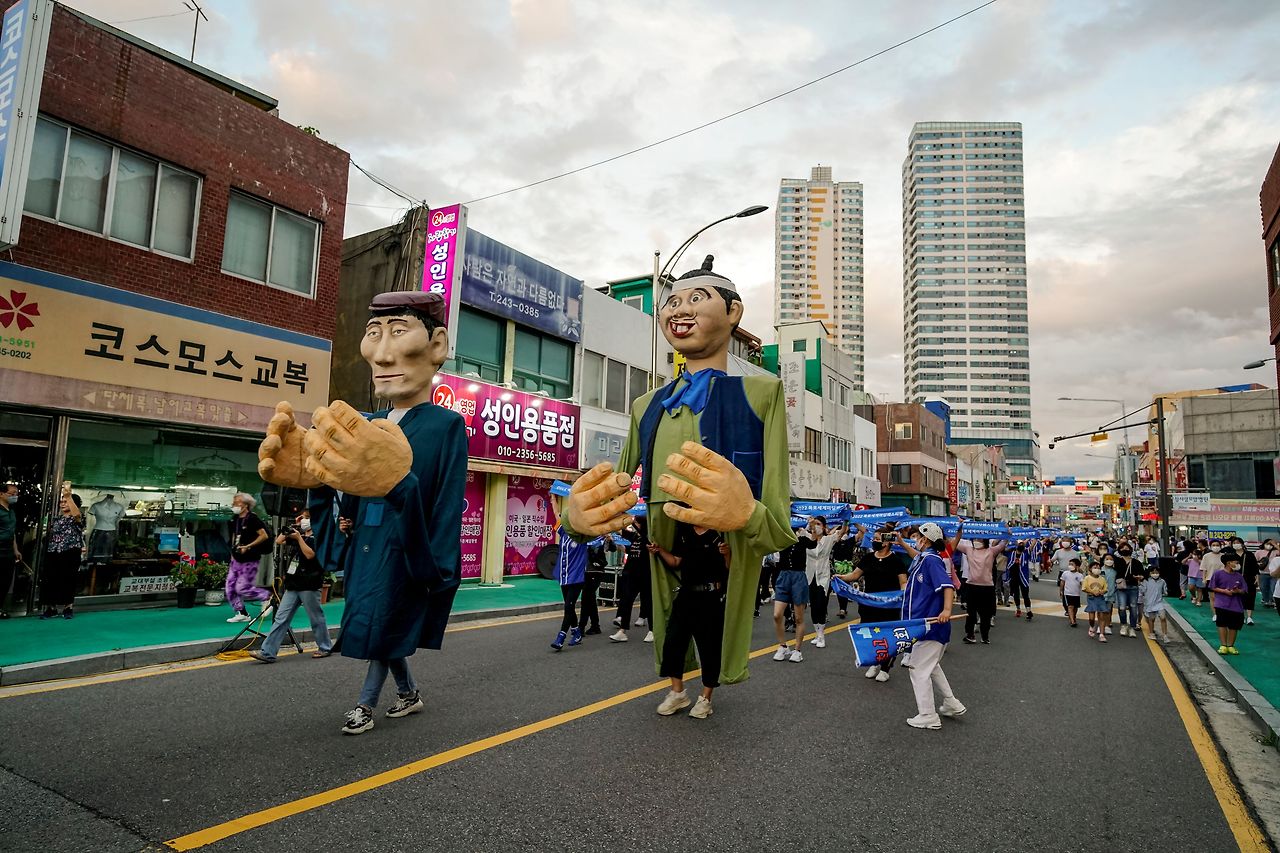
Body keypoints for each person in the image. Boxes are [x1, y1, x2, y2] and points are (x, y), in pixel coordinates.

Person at [560, 256, 797, 690]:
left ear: (733, 312)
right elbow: (615, 485)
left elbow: (778, 516)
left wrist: (750, 515)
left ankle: (712, 682)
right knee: (671, 615)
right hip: (662, 519)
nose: (680, 310)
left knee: (721, 619)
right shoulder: (647, 404)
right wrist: (575, 519)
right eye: (672, 302)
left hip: (730, 524)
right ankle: (677, 685)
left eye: (697, 299)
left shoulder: (763, 392)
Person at [257, 290, 468, 736]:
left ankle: (364, 705)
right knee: (378, 626)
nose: (383, 353)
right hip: (367, 548)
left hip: (408, 550)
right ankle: (408, 692)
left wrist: (437, 565)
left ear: (437, 346)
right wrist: (317, 481)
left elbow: (446, 504)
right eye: (374, 333)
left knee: (384, 625)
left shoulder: (447, 425)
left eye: (399, 331)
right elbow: (347, 494)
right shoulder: (367, 422)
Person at [650, 523, 732, 719]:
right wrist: (659, 550)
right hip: (686, 596)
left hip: (711, 598)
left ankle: (706, 699)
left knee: (709, 648)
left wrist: (727, 554)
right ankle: (677, 692)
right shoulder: (684, 531)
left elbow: (731, 569)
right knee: (672, 642)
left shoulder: (720, 531)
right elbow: (676, 561)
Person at [900, 523, 965, 730]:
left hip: (930, 624)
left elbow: (947, 586)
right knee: (931, 666)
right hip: (923, 624)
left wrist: (946, 610)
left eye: (917, 536)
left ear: (925, 539)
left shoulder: (931, 560)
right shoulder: (924, 558)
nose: (915, 540)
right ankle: (951, 702)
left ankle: (928, 715)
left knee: (918, 669)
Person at [250, 511, 334, 662]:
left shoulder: (319, 538)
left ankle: (325, 647)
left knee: (315, 617)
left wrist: (299, 538)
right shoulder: (298, 534)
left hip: (309, 583)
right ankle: (268, 652)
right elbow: (279, 540)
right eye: (303, 517)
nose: (304, 520)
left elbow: (310, 555)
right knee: (281, 618)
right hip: (294, 583)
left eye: (307, 518)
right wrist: (293, 526)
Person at [835, 527, 908, 682]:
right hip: (869, 604)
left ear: (886, 542)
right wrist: (840, 577)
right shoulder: (868, 558)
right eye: (873, 538)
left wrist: (903, 594)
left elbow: (903, 582)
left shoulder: (896, 561)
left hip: (889, 606)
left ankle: (886, 668)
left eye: (877, 539)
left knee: (887, 636)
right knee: (871, 634)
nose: (874, 541)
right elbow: (854, 575)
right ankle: (874, 662)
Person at [950, 523, 1005, 645]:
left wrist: (1006, 532)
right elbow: (954, 542)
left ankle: (985, 636)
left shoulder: (991, 551)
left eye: (979, 538)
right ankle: (970, 635)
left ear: (984, 540)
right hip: (972, 586)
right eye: (975, 538)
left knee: (986, 614)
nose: (976, 540)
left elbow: (1003, 543)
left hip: (987, 587)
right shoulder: (969, 549)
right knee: (971, 612)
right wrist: (955, 530)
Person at [225, 492, 272, 624]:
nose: (234, 504)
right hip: (236, 557)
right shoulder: (234, 519)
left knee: (242, 588)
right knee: (230, 588)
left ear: (245, 505)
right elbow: (234, 536)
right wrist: (232, 554)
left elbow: (264, 535)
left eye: (237, 502)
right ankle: (242, 613)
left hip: (250, 559)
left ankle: (266, 597)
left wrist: (248, 546)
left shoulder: (253, 519)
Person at [40, 486, 84, 619]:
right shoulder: (56, 519)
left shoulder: (77, 518)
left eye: (66, 502)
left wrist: (68, 496)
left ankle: (68, 607)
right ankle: (51, 608)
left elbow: (77, 515)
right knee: (51, 579)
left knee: (68, 579)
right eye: (62, 502)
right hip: (54, 551)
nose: (63, 504)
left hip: (70, 552)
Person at [550, 498, 588, 651]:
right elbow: (556, 513)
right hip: (563, 575)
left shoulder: (584, 536)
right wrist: (553, 498)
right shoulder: (563, 531)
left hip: (577, 577)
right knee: (569, 607)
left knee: (568, 606)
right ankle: (576, 632)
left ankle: (561, 637)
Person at [802, 518, 845, 649]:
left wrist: (846, 521)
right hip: (810, 576)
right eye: (814, 524)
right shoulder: (806, 537)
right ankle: (817, 633)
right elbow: (793, 527)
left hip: (823, 577)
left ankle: (821, 635)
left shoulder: (828, 539)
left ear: (824, 527)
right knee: (813, 606)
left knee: (821, 605)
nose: (816, 526)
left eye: (819, 524)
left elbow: (842, 531)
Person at [611, 519, 653, 643]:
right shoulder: (635, 537)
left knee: (648, 603)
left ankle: (652, 630)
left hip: (645, 575)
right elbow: (621, 532)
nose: (635, 525)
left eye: (637, 523)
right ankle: (622, 631)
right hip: (632, 576)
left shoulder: (647, 538)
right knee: (626, 601)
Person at [772, 528, 810, 662]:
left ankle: (797, 650)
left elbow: (814, 543)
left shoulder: (803, 539)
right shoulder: (782, 538)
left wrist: (811, 527)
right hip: (783, 576)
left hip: (798, 577)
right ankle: (783, 646)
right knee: (777, 615)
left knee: (798, 618)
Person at [1209, 551, 1247, 655]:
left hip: (1236, 606)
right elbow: (1212, 587)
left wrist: (1237, 591)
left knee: (1234, 626)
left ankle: (1230, 645)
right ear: (1228, 563)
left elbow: (1244, 590)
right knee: (1222, 624)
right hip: (1222, 604)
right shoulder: (1218, 574)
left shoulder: (1239, 576)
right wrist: (1224, 591)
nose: (1238, 564)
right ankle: (1223, 645)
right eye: (1236, 562)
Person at [1113, 543, 1146, 638]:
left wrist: (1140, 577)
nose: (1125, 549)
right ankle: (1123, 625)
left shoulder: (1136, 562)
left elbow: (1143, 574)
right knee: (1122, 607)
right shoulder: (1117, 561)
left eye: (1127, 548)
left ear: (1131, 550)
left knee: (1133, 607)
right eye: (1122, 548)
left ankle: (1132, 627)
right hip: (1121, 587)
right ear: (1119, 550)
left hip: (1133, 587)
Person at [1230, 537, 1260, 626]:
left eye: (1238, 542)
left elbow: (1255, 567)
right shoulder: (1231, 555)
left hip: (1249, 579)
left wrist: (1257, 578)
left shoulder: (1249, 554)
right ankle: (1241, 616)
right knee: (1238, 597)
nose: (1236, 544)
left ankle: (1249, 617)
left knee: (1250, 597)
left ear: (1242, 544)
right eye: (1234, 543)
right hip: (1235, 579)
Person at [0, 483, 19, 619]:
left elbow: (12, 532)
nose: (15, 496)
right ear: (1, 494)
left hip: (8, 552)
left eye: (16, 494)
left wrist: (16, 549)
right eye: (12, 494)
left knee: (5, 581)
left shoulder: (11, 511)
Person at [1139, 564, 1169, 642]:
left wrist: (1165, 593)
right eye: (1153, 572)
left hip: (1159, 603)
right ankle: (1151, 633)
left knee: (1163, 617)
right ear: (1150, 573)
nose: (1155, 574)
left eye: (1156, 572)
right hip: (1149, 603)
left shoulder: (1162, 581)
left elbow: (1165, 591)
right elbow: (1142, 590)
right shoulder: (1146, 581)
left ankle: (1165, 635)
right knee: (1151, 619)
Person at [1082, 561, 1109, 641]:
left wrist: (1102, 592)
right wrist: (1092, 592)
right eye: (1095, 568)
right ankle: (1092, 626)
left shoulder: (1102, 579)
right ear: (1090, 569)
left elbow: (1105, 589)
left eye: (1098, 568)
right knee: (1091, 617)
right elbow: (1084, 588)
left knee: (1102, 616)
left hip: (1100, 598)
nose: (1097, 569)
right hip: (1091, 598)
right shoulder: (1087, 578)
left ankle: (1102, 634)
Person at [1200, 540, 1225, 623]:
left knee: (1221, 597)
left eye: (1217, 545)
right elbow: (1204, 568)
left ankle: (1222, 613)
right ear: (1210, 546)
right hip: (1210, 579)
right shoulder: (1206, 556)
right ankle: (1215, 614)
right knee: (1212, 598)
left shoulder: (1224, 556)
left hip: (1222, 579)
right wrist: (1204, 579)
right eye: (1213, 545)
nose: (1215, 547)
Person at [1008, 539, 1033, 619]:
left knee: (1025, 595)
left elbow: (1032, 546)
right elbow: (1009, 565)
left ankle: (1028, 611)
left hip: (1023, 577)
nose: (1021, 545)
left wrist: (1035, 536)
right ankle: (1018, 609)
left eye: (1022, 544)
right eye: (1020, 544)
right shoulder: (1012, 553)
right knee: (1016, 594)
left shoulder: (1025, 553)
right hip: (1014, 577)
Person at [1060, 557, 1084, 628]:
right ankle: (1072, 621)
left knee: (1075, 607)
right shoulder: (1065, 573)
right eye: (1069, 564)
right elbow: (1062, 582)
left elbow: (1082, 584)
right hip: (1067, 593)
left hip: (1076, 594)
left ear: (1077, 566)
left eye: (1072, 564)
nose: (1070, 566)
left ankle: (1074, 617)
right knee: (1070, 606)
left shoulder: (1080, 575)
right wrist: (1061, 591)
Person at [1256, 539, 1276, 607]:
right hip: (1263, 573)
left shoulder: (1275, 552)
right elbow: (1255, 561)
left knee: (1273, 588)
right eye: (1267, 543)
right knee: (1263, 588)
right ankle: (1266, 600)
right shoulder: (1259, 552)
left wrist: (1275, 544)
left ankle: (1271, 601)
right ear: (1264, 544)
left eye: (1271, 544)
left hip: (1273, 573)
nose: (1269, 545)